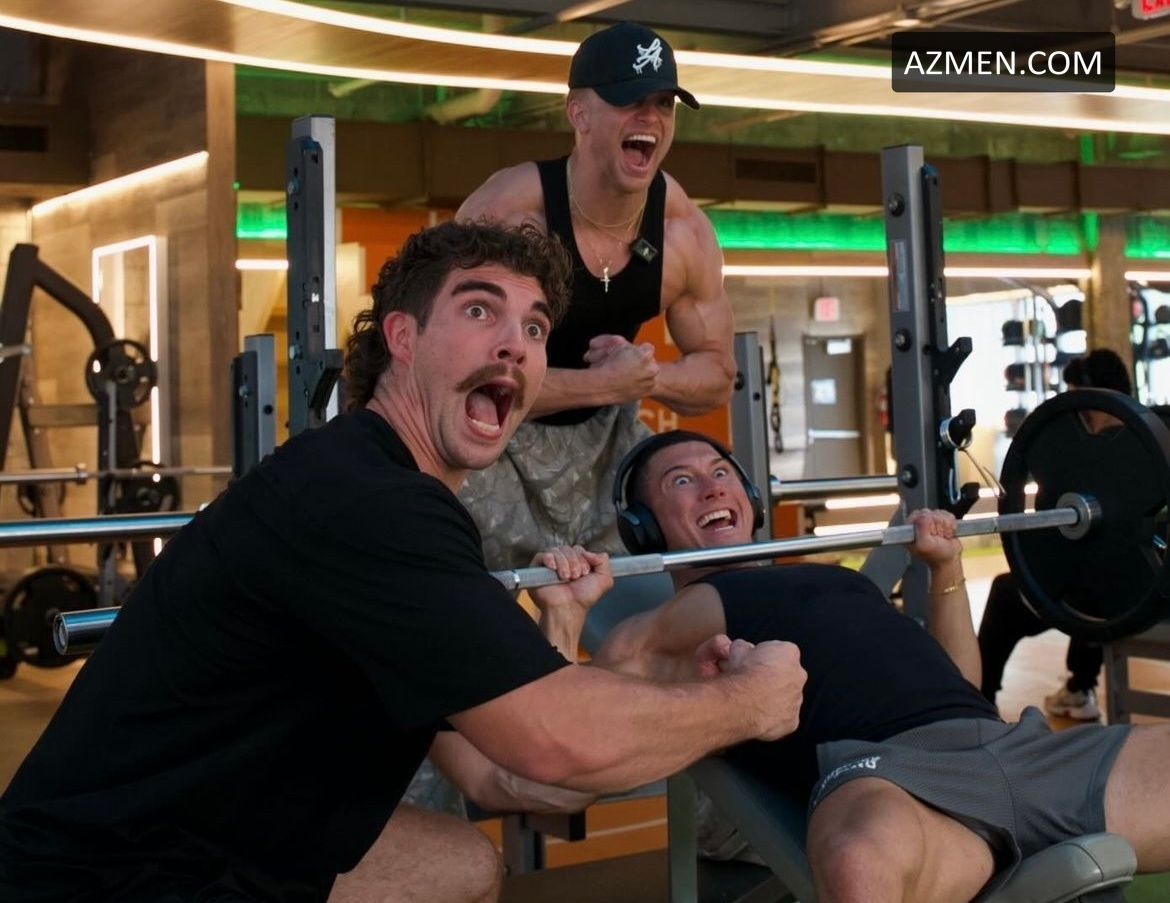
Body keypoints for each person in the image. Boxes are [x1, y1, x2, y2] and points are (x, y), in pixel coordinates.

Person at [0, 222, 807, 903]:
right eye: (479, 310)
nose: (516, 343)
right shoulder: (369, 501)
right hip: (103, 875)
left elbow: (504, 779)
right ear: (402, 337)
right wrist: (747, 701)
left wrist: (572, 639)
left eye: (534, 328)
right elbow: (555, 742)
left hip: (215, 834)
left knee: (459, 864)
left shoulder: (386, 492)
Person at [536, 429, 1170, 902]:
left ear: (750, 499)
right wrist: (564, 618)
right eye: (681, 481)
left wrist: (945, 569)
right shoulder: (665, 624)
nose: (713, 487)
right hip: (893, 782)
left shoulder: (835, 578)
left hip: (1020, 746)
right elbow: (565, 750)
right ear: (644, 529)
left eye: (722, 472)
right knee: (859, 861)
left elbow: (963, 684)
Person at [454, 20, 736, 571]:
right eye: (630, 101)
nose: (650, 118)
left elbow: (718, 375)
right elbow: (452, 378)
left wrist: (647, 378)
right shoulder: (510, 217)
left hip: (607, 446)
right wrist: (604, 385)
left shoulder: (682, 230)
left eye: (663, 104)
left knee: (662, 591)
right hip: (492, 437)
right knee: (487, 602)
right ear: (579, 114)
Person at [978, 347, 1134, 720]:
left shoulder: (1091, 457)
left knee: (1009, 592)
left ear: (1091, 398)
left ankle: (979, 703)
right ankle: (1079, 688)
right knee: (1091, 571)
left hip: (1115, 592)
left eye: (1076, 399)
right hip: (1142, 585)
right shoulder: (1151, 441)